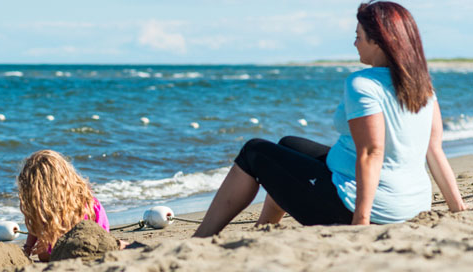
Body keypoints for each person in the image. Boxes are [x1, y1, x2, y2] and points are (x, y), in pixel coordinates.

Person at [193, 1, 467, 238]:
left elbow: (372, 152)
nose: (355, 42)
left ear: (378, 41)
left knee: (254, 151)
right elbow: (434, 149)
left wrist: (360, 221)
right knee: (288, 144)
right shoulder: (422, 86)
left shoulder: (363, 84)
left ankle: (202, 237)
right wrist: (458, 210)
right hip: (413, 206)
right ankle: (264, 227)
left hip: (360, 208)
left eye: (358, 36)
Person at [17, 150, 110, 262]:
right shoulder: (48, 206)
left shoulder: (83, 206)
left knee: (44, 255)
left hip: (91, 242)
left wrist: (50, 245)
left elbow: (81, 238)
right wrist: (28, 247)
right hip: (73, 241)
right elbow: (36, 220)